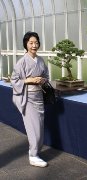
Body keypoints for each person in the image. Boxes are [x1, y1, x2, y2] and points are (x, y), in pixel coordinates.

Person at [11, 31, 49, 167]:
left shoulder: (41, 60)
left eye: (36, 42)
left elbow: (46, 76)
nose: (34, 45)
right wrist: (29, 80)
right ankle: (33, 155)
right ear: (26, 45)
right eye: (31, 43)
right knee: (33, 129)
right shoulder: (22, 62)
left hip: (39, 97)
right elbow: (14, 80)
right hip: (27, 98)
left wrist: (42, 80)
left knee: (39, 127)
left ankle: (35, 152)